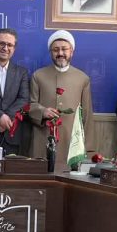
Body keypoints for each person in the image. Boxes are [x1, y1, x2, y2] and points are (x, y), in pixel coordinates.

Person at [28, 30, 93, 167]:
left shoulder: (82, 78)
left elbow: (87, 116)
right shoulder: (38, 76)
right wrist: (42, 111)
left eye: (64, 49)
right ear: (51, 52)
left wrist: (88, 149)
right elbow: (30, 106)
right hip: (42, 138)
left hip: (72, 142)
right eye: (56, 50)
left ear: (72, 51)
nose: (60, 53)